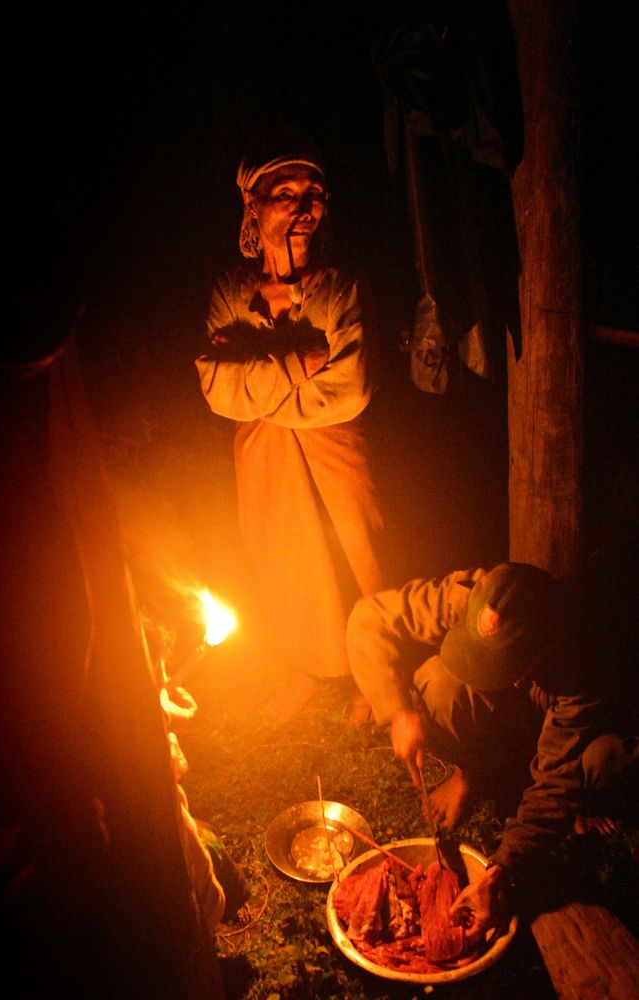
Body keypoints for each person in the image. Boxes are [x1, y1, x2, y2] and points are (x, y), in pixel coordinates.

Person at [195, 127, 384, 722]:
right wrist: (297, 361)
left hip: (339, 448)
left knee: (360, 552)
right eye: (287, 192)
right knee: (288, 557)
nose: (306, 207)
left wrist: (256, 372)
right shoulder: (230, 290)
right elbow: (217, 390)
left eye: (315, 192)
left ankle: (379, 671)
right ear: (253, 204)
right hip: (264, 455)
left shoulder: (339, 287)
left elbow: (348, 390)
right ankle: (312, 664)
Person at [346, 562, 638, 941]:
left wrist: (500, 870)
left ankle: (583, 805)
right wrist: (397, 710)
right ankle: (471, 774)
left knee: (599, 761)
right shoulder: (472, 595)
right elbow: (369, 617)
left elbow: (554, 785)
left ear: (541, 645)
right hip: (517, 704)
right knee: (439, 686)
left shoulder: (583, 662)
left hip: (581, 727)